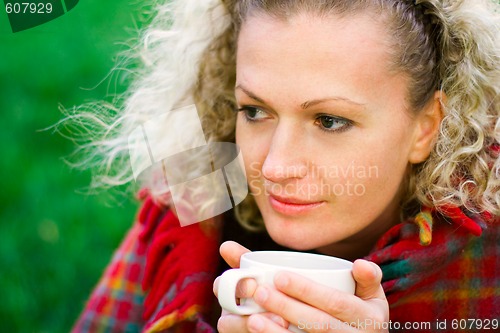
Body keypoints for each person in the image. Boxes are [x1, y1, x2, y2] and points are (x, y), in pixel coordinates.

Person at [69, 0, 499, 332]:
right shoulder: (198, 191)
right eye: (254, 111)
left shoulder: (483, 256)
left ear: (425, 128)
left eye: (329, 121)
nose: (274, 166)